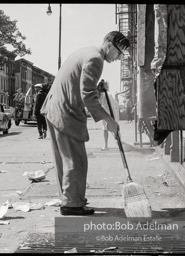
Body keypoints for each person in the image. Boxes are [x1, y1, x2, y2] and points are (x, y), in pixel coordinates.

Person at [40, 31, 130, 216]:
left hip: (54, 107)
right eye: (119, 53)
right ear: (110, 45)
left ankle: (69, 199)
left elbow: (80, 84)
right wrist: (109, 120)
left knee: (65, 159)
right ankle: (72, 205)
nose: (119, 58)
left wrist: (98, 88)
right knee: (76, 159)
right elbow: (87, 96)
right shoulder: (96, 59)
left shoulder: (88, 52)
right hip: (65, 111)